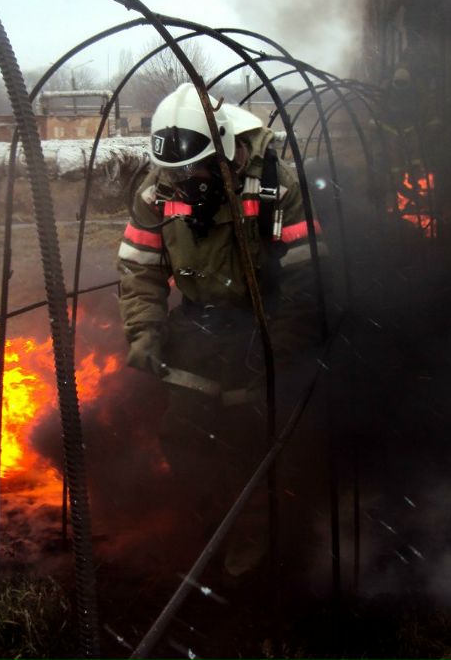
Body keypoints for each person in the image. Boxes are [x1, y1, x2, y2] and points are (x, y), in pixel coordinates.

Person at [117, 83, 324, 574]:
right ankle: (212, 529)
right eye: (176, 169)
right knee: (183, 434)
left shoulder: (276, 186)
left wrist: (283, 345)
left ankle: (255, 547)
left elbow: (306, 274)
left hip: (262, 327)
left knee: (251, 440)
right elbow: (140, 268)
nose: (186, 179)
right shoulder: (156, 191)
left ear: (227, 149)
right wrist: (144, 331)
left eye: (197, 167)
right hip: (197, 324)